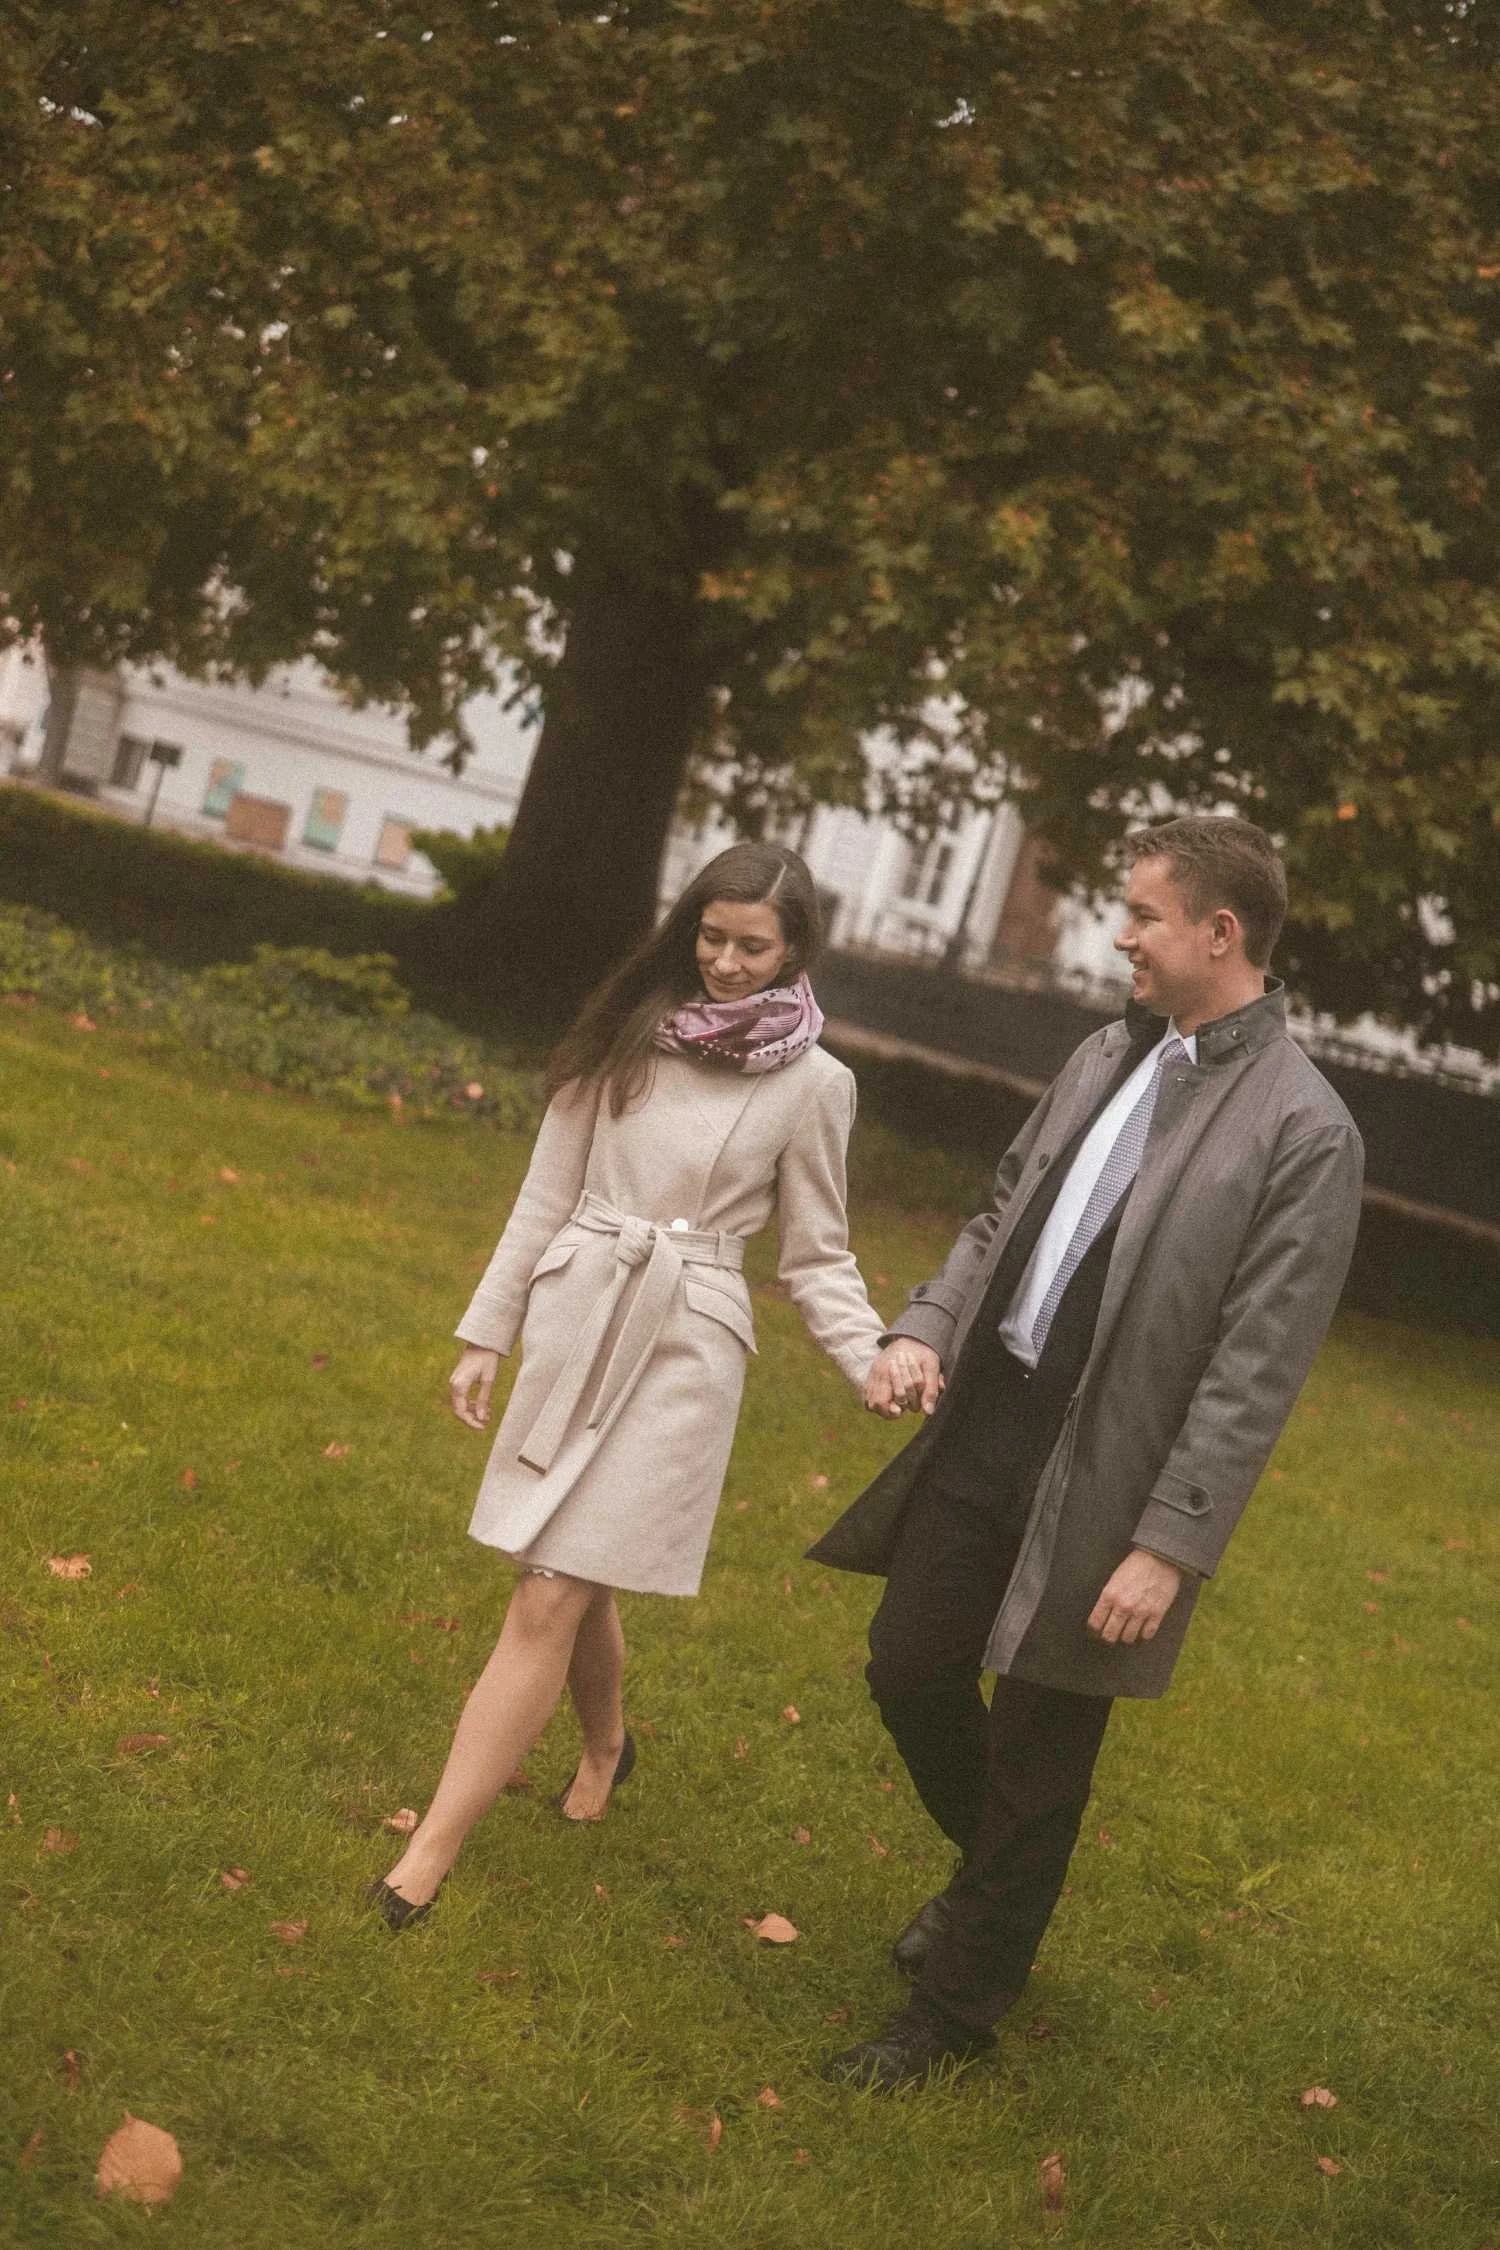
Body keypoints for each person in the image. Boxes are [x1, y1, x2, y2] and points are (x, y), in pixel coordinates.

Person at [809, 815, 1364, 2089]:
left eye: (1144, 915)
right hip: (989, 1424)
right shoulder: (1106, 1052)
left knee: (1045, 1752)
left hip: (1109, 1487)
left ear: (1220, 934)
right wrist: (924, 1325)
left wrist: (1169, 1542)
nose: (1120, 934)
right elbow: (1003, 1205)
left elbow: (1253, 1369)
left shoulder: (1307, 1133)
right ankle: (996, 1886)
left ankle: (950, 2019)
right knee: (910, 1667)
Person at [369, 842, 885, 1929]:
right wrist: (486, 1330)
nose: (727, 963)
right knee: (570, 1571)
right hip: (578, 1312)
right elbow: (544, 1192)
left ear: (796, 952)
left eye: (754, 946)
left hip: (686, 1347)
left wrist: (871, 1353)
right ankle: (607, 1743)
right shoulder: (627, 1033)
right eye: (711, 936)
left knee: (552, 1584)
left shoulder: (817, 1085)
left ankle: (430, 1849)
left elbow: (818, 1256)